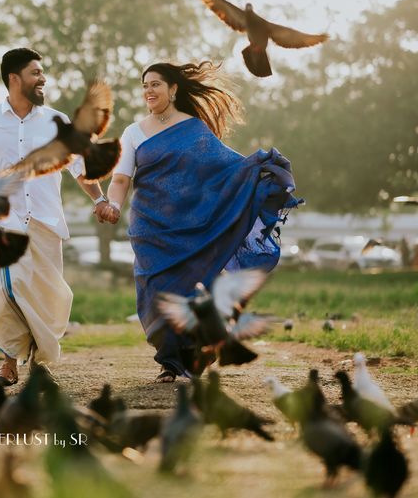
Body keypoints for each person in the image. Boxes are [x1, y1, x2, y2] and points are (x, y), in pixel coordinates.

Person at [99, 61, 301, 382]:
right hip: (149, 227)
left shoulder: (193, 129)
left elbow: (224, 167)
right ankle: (171, 357)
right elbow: (121, 179)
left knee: (192, 292)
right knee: (154, 291)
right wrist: (112, 203)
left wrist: (258, 172)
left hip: (190, 225)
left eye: (156, 85)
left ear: (173, 89)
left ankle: (181, 360)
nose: (149, 91)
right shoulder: (133, 132)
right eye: (145, 85)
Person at [0, 48, 110, 386]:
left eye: (43, 73)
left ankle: (38, 359)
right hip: (4, 223)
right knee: (7, 289)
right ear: (14, 79)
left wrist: (99, 199)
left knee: (46, 294)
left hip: (46, 221)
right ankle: (8, 363)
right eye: (36, 73)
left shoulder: (58, 122)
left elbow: (79, 168)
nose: (43, 79)